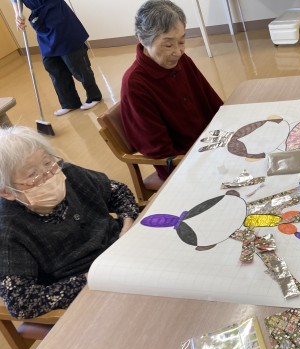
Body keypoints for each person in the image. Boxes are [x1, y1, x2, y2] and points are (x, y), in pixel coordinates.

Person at [0, 126, 139, 319]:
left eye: (47, 162)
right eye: (33, 175)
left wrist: (127, 224)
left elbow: (117, 191)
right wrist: (90, 279)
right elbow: (21, 302)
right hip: (90, 290)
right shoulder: (7, 228)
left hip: (125, 250)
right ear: (6, 191)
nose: (48, 175)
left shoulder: (67, 173)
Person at [120, 0, 223, 182]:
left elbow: (213, 103)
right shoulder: (136, 83)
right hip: (183, 164)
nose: (178, 51)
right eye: (168, 45)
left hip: (211, 144)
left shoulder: (183, 60)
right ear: (143, 39)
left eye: (182, 41)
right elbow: (160, 150)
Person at [11, 0, 103, 116]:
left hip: (58, 15)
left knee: (75, 62)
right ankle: (69, 103)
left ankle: (94, 96)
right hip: (41, 21)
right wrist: (17, 14)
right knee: (52, 64)